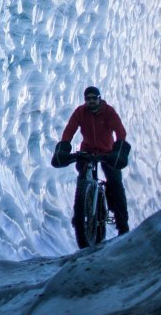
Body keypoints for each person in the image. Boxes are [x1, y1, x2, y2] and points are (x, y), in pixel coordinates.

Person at [53, 86, 131, 235]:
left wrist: (119, 149)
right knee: (83, 181)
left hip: (107, 152)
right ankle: (79, 217)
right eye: (88, 99)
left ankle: (123, 226)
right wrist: (64, 147)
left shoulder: (108, 112)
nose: (91, 101)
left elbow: (120, 131)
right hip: (87, 151)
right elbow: (70, 129)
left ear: (99, 98)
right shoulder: (80, 112)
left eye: (93, 98)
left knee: (115, 184)